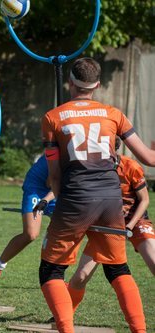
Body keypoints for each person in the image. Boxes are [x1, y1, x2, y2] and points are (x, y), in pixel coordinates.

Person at [40, 57, 155, 333]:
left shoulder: (52, 117)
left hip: (75, 198)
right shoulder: (113, 114)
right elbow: (149, 158)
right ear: (98, 85)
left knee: (51, 271)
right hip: (111, 201)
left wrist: (62, 201)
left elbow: (54, 175)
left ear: (70, 82)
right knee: (117, 270)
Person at [63, 137, 155, 318]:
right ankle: (64, 315)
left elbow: (145, 200)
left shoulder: (131, 167)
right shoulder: (91, 170)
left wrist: (129, 224)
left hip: (136, 222)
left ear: (114, 149)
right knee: (81, 276)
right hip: (108, 226)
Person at [0, 155, 55, 289]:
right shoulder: (64, 153)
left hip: (57, 188)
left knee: (62, 234)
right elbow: (51, 182)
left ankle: (55, 277)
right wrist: (45, 200)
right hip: (37, 187)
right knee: (31, 234)